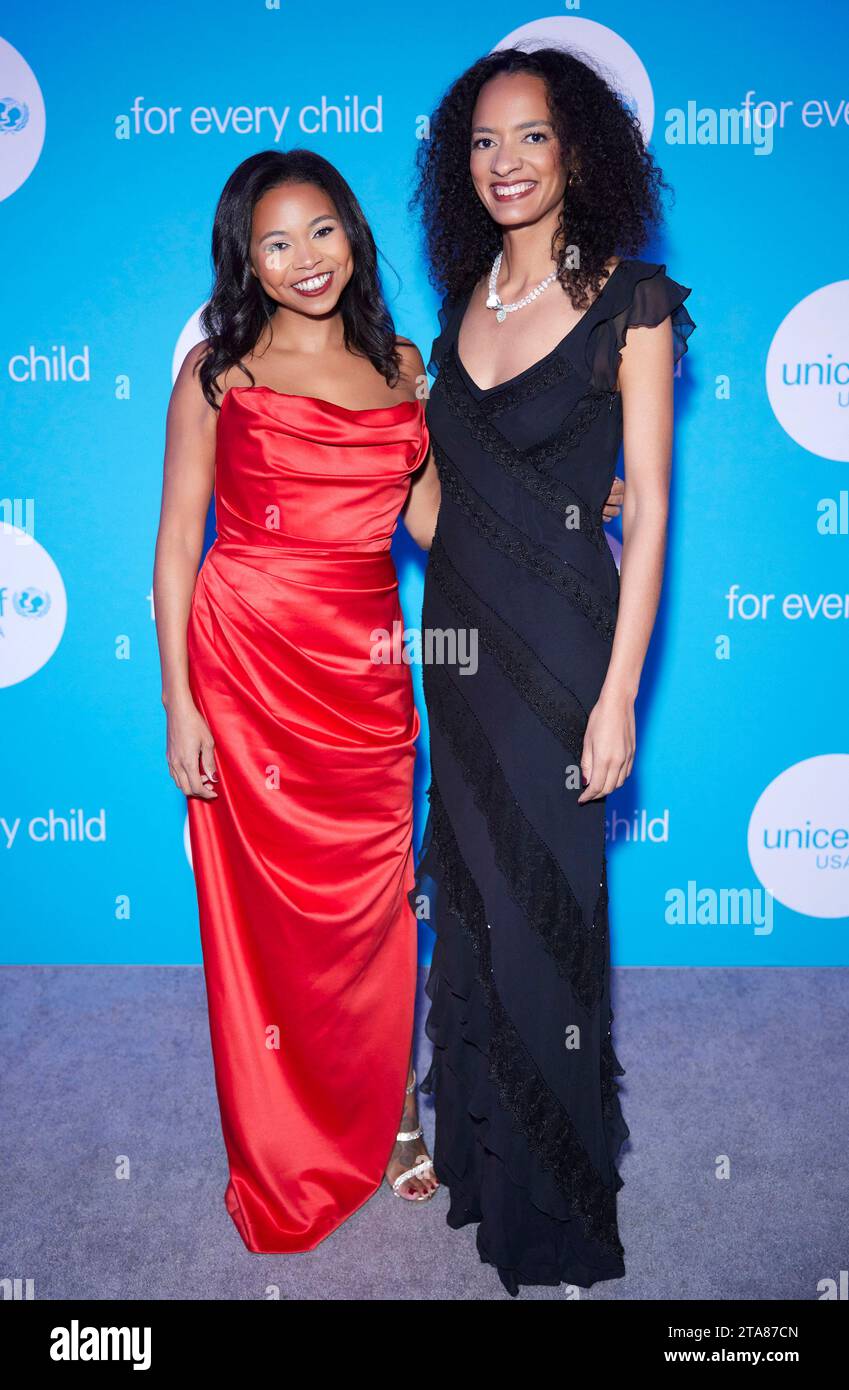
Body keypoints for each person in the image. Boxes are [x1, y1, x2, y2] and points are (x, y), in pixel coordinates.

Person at [410, 45, 696, 1294]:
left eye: (530, 137)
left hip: (566, 656)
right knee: (469, 911)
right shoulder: (457, 306)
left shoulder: (634, 301)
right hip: (458, 650)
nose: (505, 163)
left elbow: (651, 518)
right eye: (482, 141)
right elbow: (442, 520)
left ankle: (558, 1213)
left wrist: (621, 691)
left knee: (547, 927)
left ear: (578, 148)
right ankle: (482, 1170)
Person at [152, 149, 445, 1252]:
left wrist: (575, 512)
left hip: (366, 674)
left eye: (321, 230)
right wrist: (179, 702)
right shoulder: (217, 378)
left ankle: (394, 1112)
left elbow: (439, 533)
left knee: (377, 904)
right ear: (248, 261)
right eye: (276, 243)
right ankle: (283, 1143)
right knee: (265, 924)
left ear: (353, 234)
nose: (305, 259)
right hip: (246, 668)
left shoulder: (404, 369)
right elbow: (178, 545)